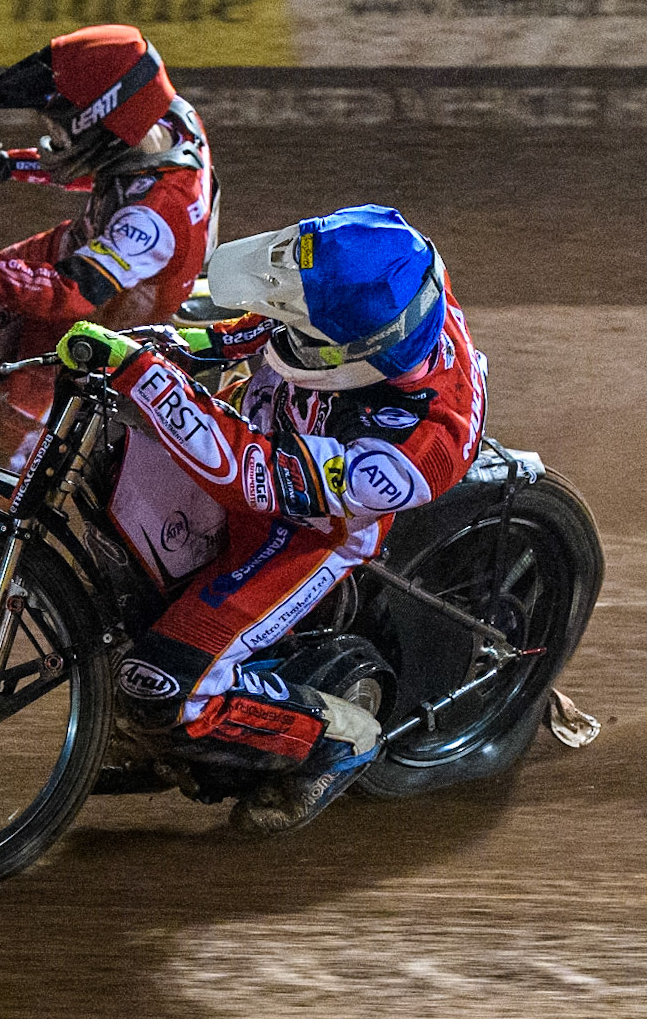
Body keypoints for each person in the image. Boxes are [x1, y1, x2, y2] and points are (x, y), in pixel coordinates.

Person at [54, 204, 488, 834]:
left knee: (161, 684)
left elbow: (251, 478)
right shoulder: (390, 265)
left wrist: (148, 377)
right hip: (274, 426)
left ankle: (344, 737)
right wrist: (179, 344)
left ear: (351, 354)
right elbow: (281, 315)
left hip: (312, 525)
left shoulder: (416, 449)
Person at [0, 24, 217, 463]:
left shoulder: (152, 219)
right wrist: (0, 165)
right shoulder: (168, 118)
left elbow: (66, 295)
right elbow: (105, 165)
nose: (52, 137)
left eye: (61, 129)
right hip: (83, 253)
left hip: (103, 317)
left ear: (106, 119)